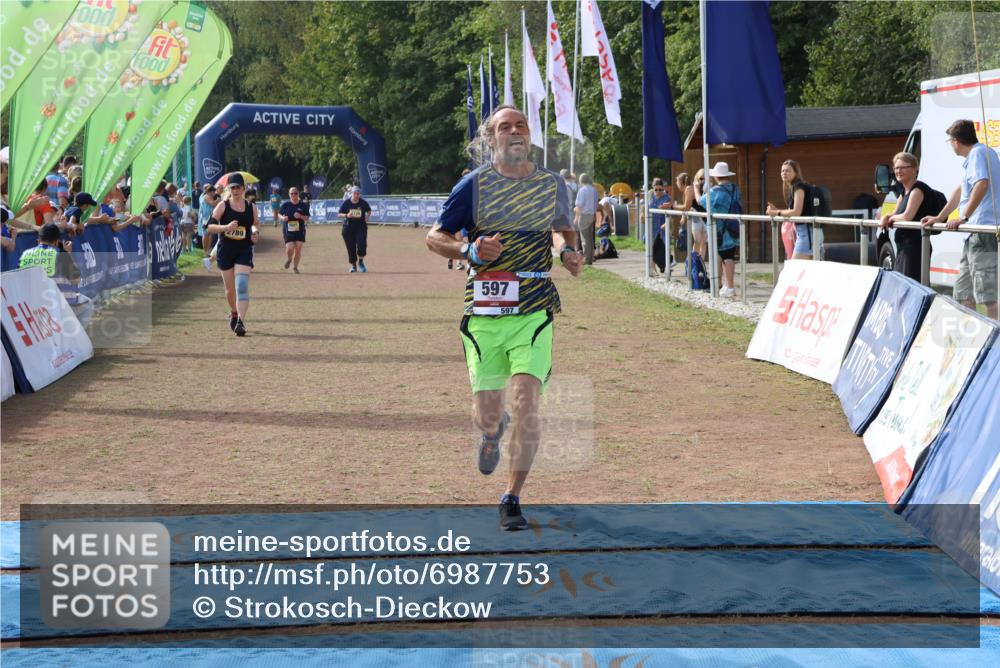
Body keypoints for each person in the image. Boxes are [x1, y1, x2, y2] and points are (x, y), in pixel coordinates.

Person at [425, 106, 583, 531]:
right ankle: (492, 434)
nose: (514, 132)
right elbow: (435, 237)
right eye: (504, 127)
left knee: (527, 403)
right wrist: (469, 251)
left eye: (521, 126)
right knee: (489, 414)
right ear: (489, 139)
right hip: (485, 312)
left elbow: (566, 227)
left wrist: (569, 251)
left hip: (534, 308)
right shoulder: (473, 187)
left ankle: (511, 497)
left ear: (529, 135)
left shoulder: (551, 184)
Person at [922, 119, 1000, 319]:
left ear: (956, 140)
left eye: (950, 141)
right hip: (972, 234)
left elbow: (982, 184)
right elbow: (961, 190)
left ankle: (995, 343)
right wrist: (941, 216)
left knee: (987, 294)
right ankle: (974, 335)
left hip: (981, 229)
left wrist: (964, 216)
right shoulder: (980, 155)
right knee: (963, 292)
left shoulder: (978, 154)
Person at [204, 173, 259, 336]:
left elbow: (255, 224)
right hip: (226, 250)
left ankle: (241, 321)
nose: (235, 190)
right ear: (229, 189)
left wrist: (255, 233)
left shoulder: (251, 207)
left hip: (244, 249)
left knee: (241, 285)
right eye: (232, 187)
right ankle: (234, 312)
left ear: (243, 188)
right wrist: (225, 227)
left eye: (238, 187)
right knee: (229, 291)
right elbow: (209, 228)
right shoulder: (222, 206)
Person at [18, 222, 94, 327]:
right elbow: (76, 280)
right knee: (88, 304)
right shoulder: (61, 255)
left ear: (38, 240)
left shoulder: (26, 256)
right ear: (56, 241)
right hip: (63, 305)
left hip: (35, 305)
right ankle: (77, 337)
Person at [878, 152, 938, 281]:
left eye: (903, 167)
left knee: (912, 286)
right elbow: (894, 213)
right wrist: (885, 217)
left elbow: (906, 216)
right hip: (903, 247)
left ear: (914, 169)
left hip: (914, 248)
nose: (898, 171)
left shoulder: (917, 189)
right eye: (896, 168)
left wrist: (890, 219)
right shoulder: (904, 191)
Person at [699, 162, 742, 297]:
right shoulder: (735, 188)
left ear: (717, 176)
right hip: (733, 225)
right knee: (728, 255)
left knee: (723, 256)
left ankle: (729, 286)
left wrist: (697, 189)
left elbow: (701, 201)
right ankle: (726, 285)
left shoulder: (715, 191)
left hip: (719, 228)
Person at [766, 160, 813, 260]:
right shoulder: (795, 187)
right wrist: (777, 210)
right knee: (806, 271)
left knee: (794, 268)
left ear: (796, 172)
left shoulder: (798, 187)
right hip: (806, 232)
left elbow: (796, 212)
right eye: (782, 171)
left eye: (788, 171)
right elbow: (794, 211)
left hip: (807, 233)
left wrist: (775, 212)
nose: (784, 173)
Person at [338, 186, 371, 272]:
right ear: (351, 193)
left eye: (358, 193)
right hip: (348, 227)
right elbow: (339, 214)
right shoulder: (346, 203)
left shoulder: (363, 203)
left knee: (362, 244)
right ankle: (353, 265)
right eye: (355, 193)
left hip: (361, 227)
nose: (356, 195)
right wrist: (346, 215)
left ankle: (360, 261)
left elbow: (369, 210)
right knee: (351, 247)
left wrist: (367, 217)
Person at [279, 186, 310, 273]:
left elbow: (307, 218)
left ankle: (295, 267)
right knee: (290, 248)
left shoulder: (303, 205)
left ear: (298, 194)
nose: (293, 195)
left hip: (300, 230)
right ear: (289, 195)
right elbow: (279, 214)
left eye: (295, 193)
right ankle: (289, 258)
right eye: (292, 193)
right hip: (288, 230)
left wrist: (300, 216)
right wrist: (283, 218)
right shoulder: (286, 205)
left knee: (298, 248)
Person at [648, 177, 673, 274]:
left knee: (664, 247)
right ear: (653, 188)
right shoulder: (650, 195)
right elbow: (645, 208)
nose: (658, 192)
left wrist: (667, 223)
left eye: (660, 189)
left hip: (662, 225)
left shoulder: (667, 197)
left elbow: (670, 213)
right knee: (652, 248)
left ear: (663, 188)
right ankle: (653, 268)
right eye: (656, 189)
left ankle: (668, 263)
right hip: (652, 225)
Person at [574, 173, 599, 265]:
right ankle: (591, 257)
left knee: (584, 239)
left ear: (581, 181)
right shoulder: (594, 190)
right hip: (592, 215)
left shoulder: (582, 190)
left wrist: (576, 218)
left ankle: (587, 259)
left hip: (584, 215)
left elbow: (579, 206)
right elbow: (596, 204)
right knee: (591, 238)